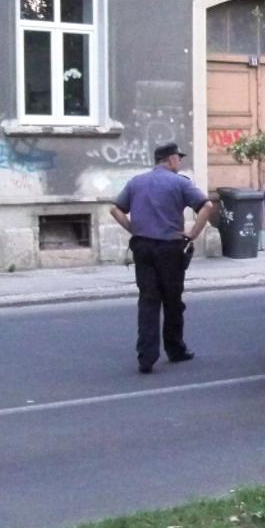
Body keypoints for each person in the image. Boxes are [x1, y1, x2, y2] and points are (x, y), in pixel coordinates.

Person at [110, 142, 215, 374]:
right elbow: (207, 206)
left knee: (148, 300)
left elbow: (115, 209)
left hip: (143, 246)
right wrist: (193, 233)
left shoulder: (137, 182)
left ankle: (146, 356)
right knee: (172, 300)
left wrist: (133, 228)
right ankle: (175, 349)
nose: (179, 162)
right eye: (178, 158)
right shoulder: (180, 183)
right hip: (170, 247)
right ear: (170, 159)